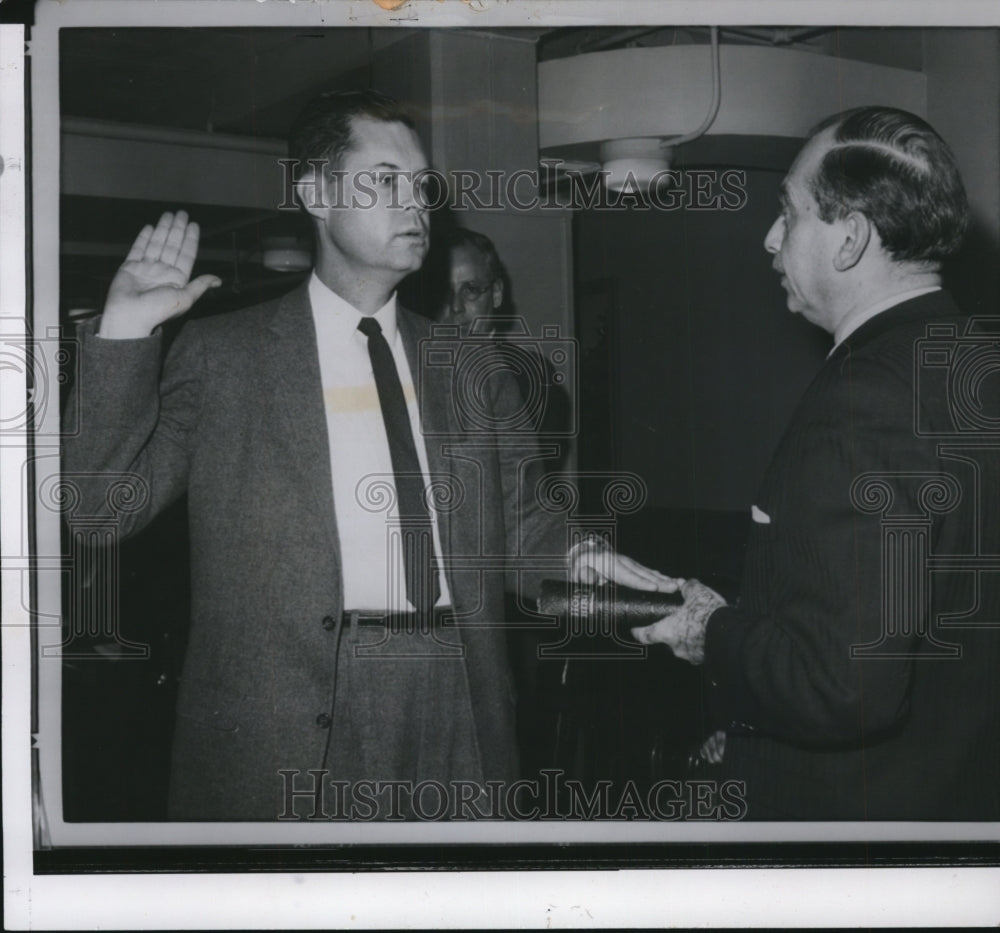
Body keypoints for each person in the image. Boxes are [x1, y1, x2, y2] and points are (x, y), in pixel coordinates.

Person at [63, 89, 673, 820]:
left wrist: (578, 557)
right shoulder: (225, 354)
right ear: (316, 192)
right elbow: (97, 514)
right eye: (385, 180)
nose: (415, 204)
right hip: (283, 723)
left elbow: (521, 527)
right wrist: (126, 332)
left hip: (457, 697)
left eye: (421, 186)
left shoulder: (475, 367)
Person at [632, 106, 1000, 819]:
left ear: (851, 238)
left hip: (855, 824)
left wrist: (710, 632)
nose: (771, 240)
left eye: (789, 213)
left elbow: (845, 685)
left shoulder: (865, 397)